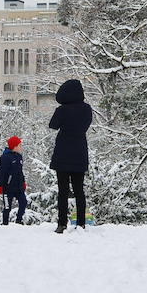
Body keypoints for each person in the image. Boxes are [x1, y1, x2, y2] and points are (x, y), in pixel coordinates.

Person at [49, 79, 92, 233]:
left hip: (62, 154)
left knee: (63, 191)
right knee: (79, 190)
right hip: (80, 153)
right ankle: (81, 223)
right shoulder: (87, 109)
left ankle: (62, 224)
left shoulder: (62, 110)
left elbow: (53, 125)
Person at [0, 136, 27, 225]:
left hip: (18, 187)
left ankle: (19, 220)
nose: (21, 147)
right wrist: (0, 186)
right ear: (15, 146)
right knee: (7, 207)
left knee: (23, 202)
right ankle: (5, 223)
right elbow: (1, 172)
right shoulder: (5, 157)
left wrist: (23, 182)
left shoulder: (19, 157)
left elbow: (20, 172)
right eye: (20, 145)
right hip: (7, 187)